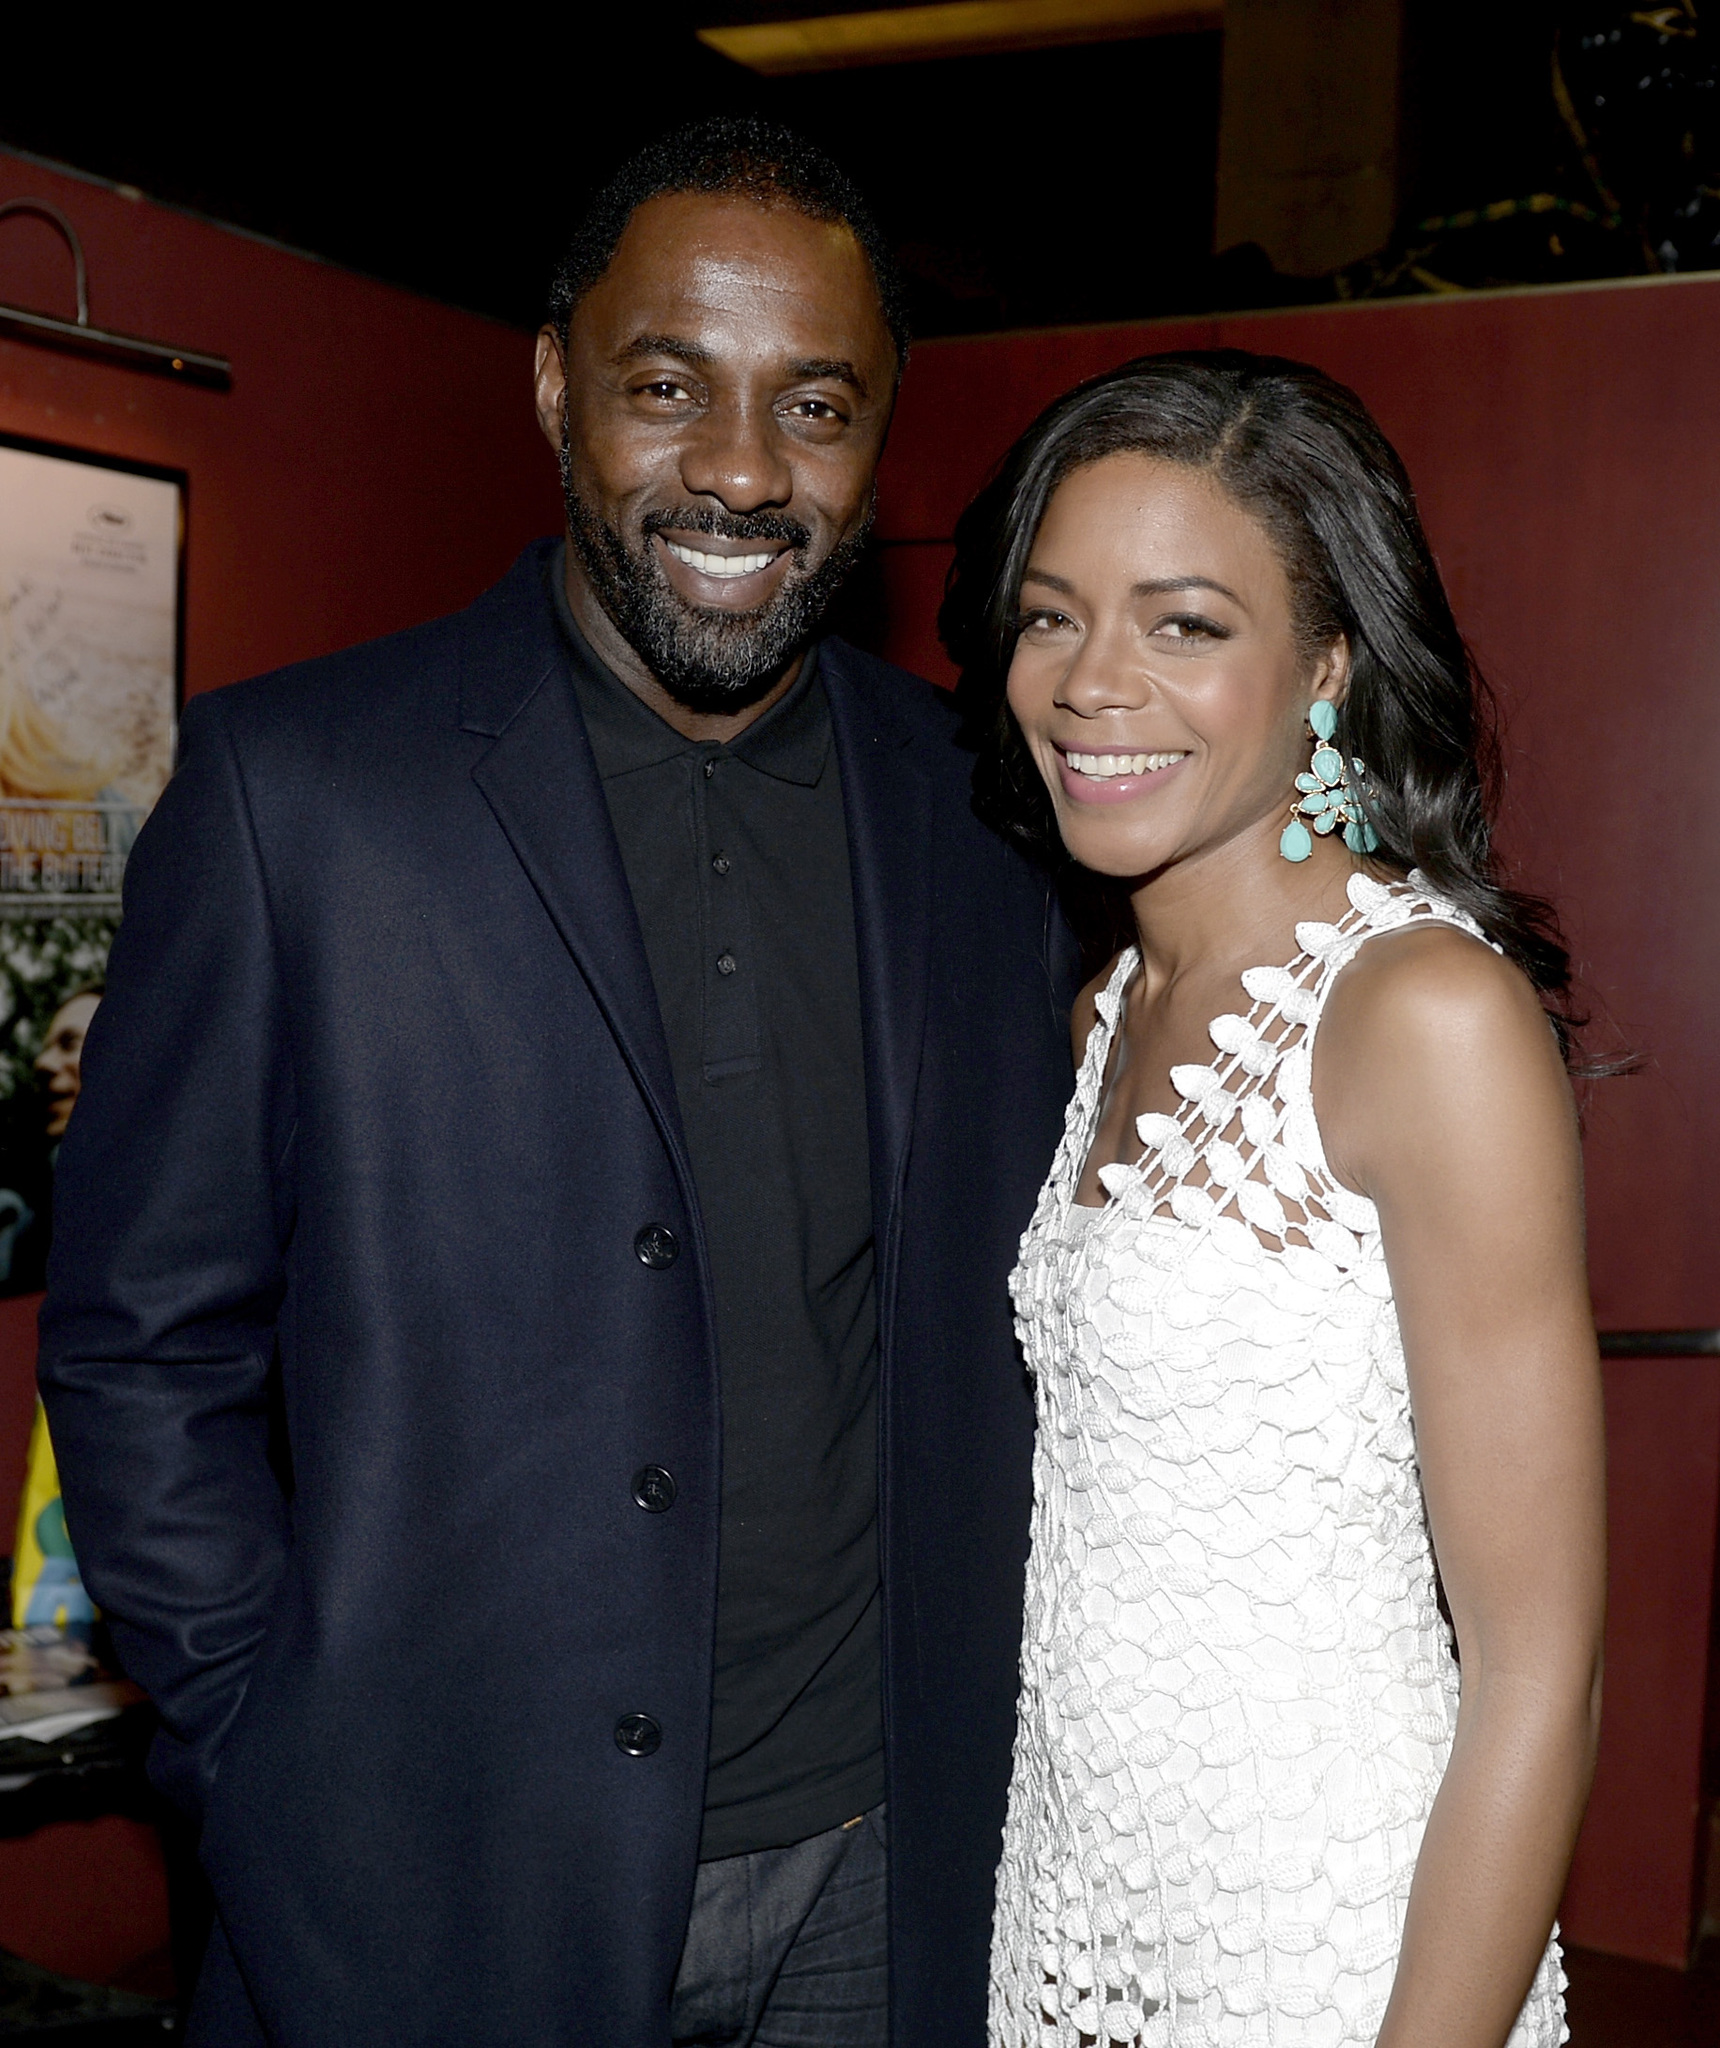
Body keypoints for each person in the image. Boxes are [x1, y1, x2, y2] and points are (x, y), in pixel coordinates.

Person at [37, 120, 1078, 2048]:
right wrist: (270, 1745)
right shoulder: (300, 797)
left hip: (885, 1862)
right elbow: (140, 1348)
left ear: (882, 434)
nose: (745, 470)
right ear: (552, 386)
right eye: (669, 387)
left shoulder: (976, 812)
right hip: (433, 1878)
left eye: (818, 404)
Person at [941, 352, 1606, 2048]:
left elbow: (1541, 1666)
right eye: (1050, 617)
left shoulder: (1423, 1018)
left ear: (1324, 665)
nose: (1095, 684)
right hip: (1081, 1922)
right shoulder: (1106, 1012)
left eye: (1184, 625)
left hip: (1335, 1944)